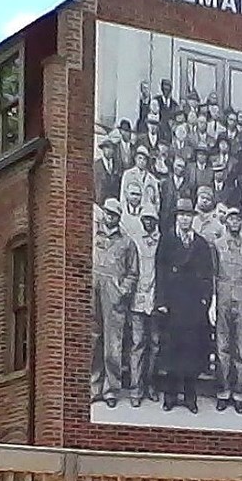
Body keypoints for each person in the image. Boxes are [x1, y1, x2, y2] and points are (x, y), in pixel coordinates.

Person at [155, 198, 215, 414]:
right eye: (181, 215)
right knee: (172, 349)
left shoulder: (201, 244)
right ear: (176, 218)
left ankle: (190, 396)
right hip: (172, 303)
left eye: (188, 215)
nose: (184, 219)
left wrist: (204, 301)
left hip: (193, 306)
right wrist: (161, 301)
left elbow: (208, 275)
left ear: (193, 218)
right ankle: (170, 395)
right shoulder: (168, 240)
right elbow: (160, 272)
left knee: (192, 350)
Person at [91, 199, 139, 408]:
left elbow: (133, 273)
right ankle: (94, 386)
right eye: (107, 213)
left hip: (114, 296)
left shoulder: (127, 242)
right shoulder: (93, 235)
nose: (109, 217)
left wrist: (123, 290)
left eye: (114, 215)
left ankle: (111, 389)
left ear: (119, 218)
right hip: (93, 292)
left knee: (113, 344)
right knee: (93, 340)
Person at [211, 207, 242, 413]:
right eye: (231, 219)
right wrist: (213, 301)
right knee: (222, 348)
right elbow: (213, 275)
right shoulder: (218, 245)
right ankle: (223, 391)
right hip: (222, 300)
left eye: (238, 219)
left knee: (241, 349)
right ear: (226, 221)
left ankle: (238, 393)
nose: (235, 222)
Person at [127, 204, 162, 406]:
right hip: (138, 300)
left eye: (151, 219)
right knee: (137, 345)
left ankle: (150, 385)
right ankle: (136, 389)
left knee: (155, 345)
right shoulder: (135, 242)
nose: (148, 222)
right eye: (145, 219)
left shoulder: (161, 242)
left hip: (156, 300)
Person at [95, 134, 121, 204]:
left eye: (111, 148)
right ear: (103, 149)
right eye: (107, 148)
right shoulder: (97, 165)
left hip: (114, 200)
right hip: (100, 200)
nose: (109, 151)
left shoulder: (117, 165)